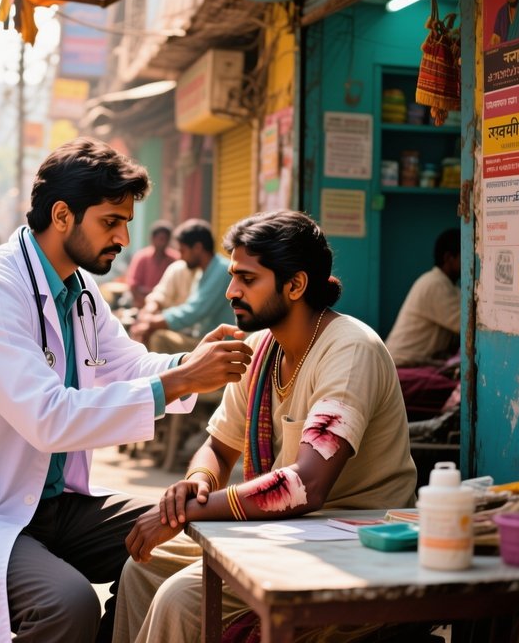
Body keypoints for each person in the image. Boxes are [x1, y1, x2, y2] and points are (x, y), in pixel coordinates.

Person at [0, 138, 253, 643]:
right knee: (67, 604)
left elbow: (128, 365)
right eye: (110, 222)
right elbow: (48, 417)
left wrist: (194, 363)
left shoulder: (80, 289)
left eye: (126, 223)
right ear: (64, 215)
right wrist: (181, 380)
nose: (122, 238)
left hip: (43, 504)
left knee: (180, 533)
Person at [113, 210, 417, 643]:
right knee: (142, 566)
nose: (231, 290)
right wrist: (196, 484)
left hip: (353, 537)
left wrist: (190, 512)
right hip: (284, 529)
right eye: (233, 274)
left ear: (295, 285)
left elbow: (305, 486)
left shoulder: (350, 351)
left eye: (247, 279)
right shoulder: (258, 348)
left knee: (181, 598)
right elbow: (218, 448)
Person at [130, 219, 235, 353]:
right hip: (202, 338)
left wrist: (152, 323)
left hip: (221, 345)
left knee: (159, 338)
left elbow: (195, 311)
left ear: (197, 248)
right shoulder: (202, 271)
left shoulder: (221, 270)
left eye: (183, 251)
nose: (181, 257)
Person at [385, 228, 461, 368]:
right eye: (464, 255)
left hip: (411, 364)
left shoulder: (446, 285)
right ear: (448, 258)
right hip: (403, 367)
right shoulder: (435, 285)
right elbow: (467, 326)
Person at [124, 221, 179, 308]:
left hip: (166, 307)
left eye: (166, 239)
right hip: (141, 306)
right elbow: (133, 285)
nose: (163, 243)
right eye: (161, 239)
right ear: (152, 239)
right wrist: (147, 305)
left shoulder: (175, 259)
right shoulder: (141, 257)